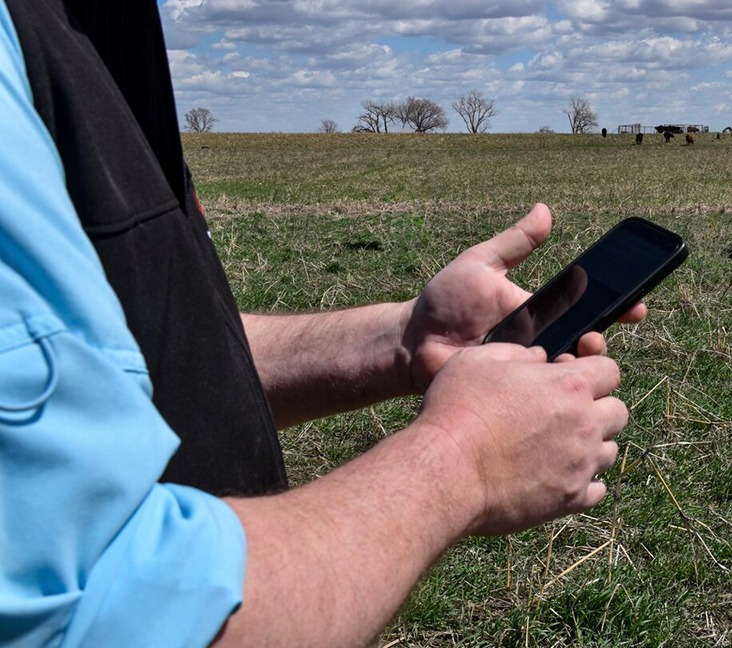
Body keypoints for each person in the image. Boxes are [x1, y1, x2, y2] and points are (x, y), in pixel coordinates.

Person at [0, 1, 645, 646]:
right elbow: (105, 612)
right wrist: (462, 461)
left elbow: (142, 354)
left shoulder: (92, 23)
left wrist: (404, 341)